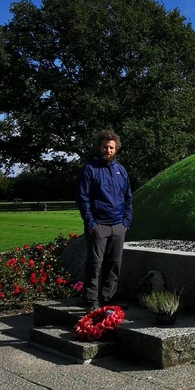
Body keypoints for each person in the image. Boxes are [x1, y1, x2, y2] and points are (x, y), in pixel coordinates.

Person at [76, 129, 132, 309]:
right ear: (99, 147)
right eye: (105, 147)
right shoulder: (89, 170)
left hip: (118, 225)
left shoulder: (121, 171)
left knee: (115, 264)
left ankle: (108, 298)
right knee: (95, 264)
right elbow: (82, 198)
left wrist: (126, 222)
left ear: (116, 149)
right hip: (98, 225)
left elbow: (128, 197)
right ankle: (91, 300)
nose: (108, 150)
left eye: (112, 148)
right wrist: (90, 223)